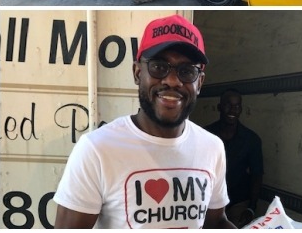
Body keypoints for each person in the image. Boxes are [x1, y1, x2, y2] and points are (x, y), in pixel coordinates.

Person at [53, 14, 235, 229]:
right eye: (159, 67)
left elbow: (216, 222)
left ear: (200, 82)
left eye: (187, 71)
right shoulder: (97, 149)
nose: (172, 81)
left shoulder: (212, 147)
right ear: (138, 73)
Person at [205, 90, 263, 228]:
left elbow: (257, 174)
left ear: (241, 109)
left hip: (239, 201)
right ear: (219, 107)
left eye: (237, 106)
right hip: (210, 201)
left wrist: (251, 208)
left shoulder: (251, 139)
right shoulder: (205, 135)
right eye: (228, 105)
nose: (232, 110)